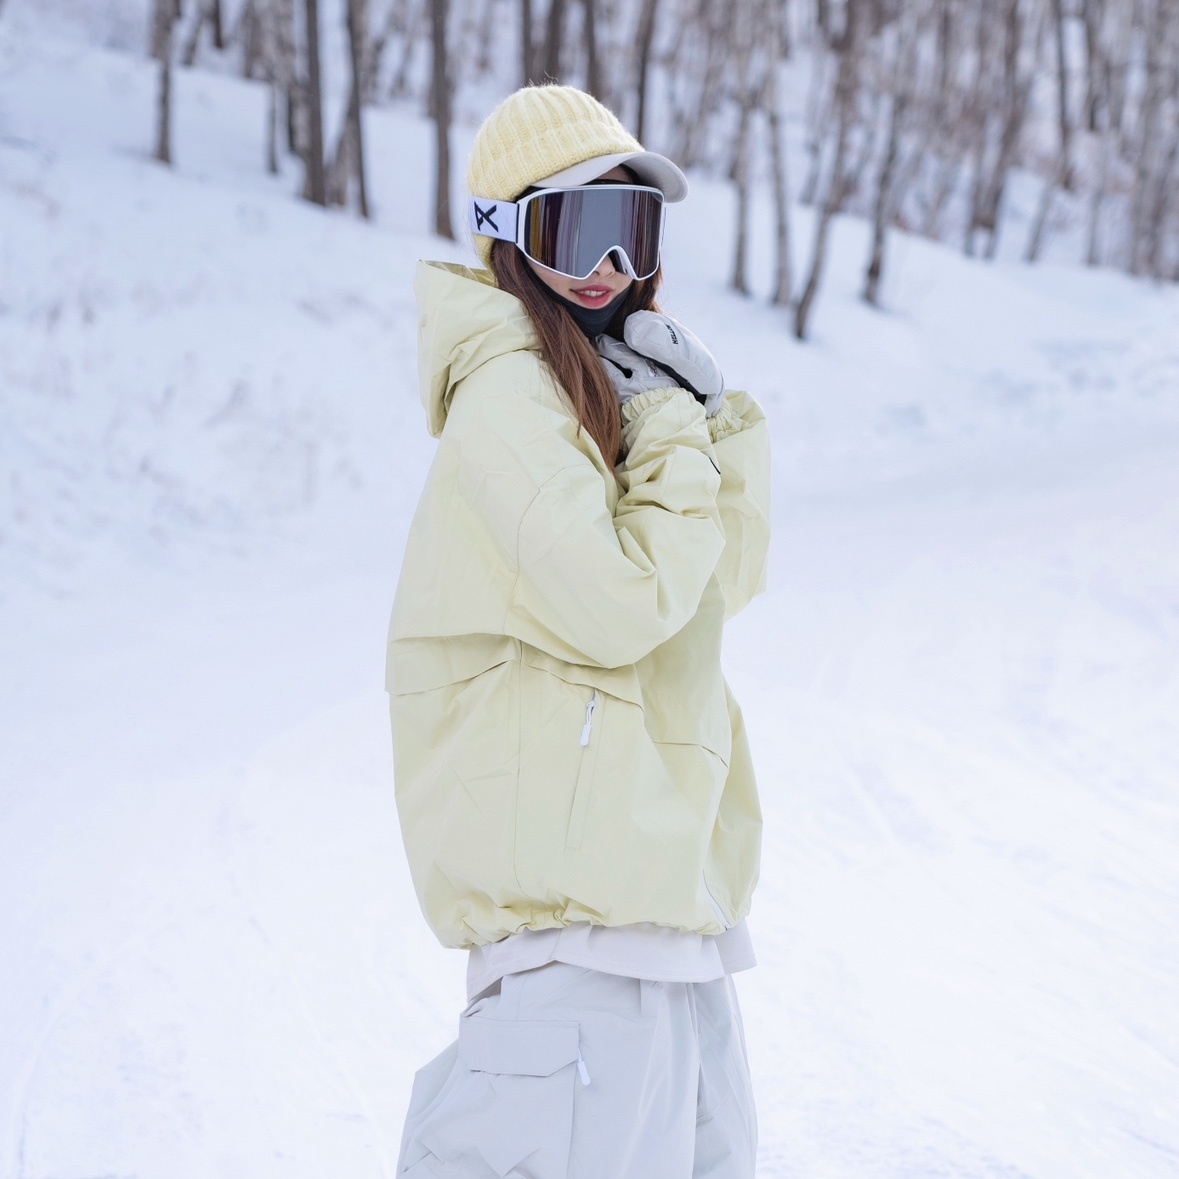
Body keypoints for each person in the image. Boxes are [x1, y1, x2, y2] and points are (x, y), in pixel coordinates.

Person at [387, 84, 771, 1178]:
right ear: (510, 239)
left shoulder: (605, 390)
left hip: (670, 944)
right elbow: (625, 604)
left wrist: (708, 420)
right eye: (575, 229)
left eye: (631, 231)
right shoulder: (509, 395)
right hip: (579, 956)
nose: (607, 267)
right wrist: (661, 421)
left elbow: (719, 579)